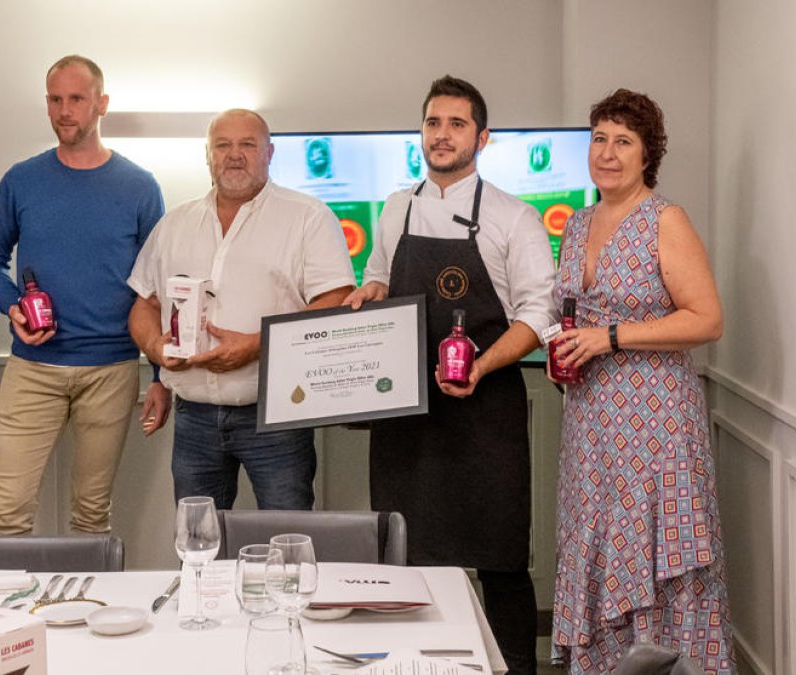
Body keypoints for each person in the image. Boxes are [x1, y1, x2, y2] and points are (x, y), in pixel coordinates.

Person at [343, 76, 555, 675]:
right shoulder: (395, 207)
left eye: (457, 124)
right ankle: (412, 665)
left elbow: (538, 315)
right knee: (407, 555)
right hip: (408, 418)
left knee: (501, 560)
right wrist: (371, 291)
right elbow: (380, 275)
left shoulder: (514, 219)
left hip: (486, 415)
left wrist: (482, 364)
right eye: (433, 123)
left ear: (482, 138)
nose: (442, 135)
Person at [548, 89, 734, 674]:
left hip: (657, 422)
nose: (607, 152)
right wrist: (568, 352)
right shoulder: (577, 224)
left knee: (662, 560)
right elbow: (576, 315)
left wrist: (611, 338)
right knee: (598, 546)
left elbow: (707, 318)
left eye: (623, 141)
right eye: (599, 138)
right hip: (590, 425)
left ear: (647, 153)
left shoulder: (665, 219)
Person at [0, 55, 168, 536]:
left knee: (91, 516)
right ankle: (10, 613)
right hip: (32, 368)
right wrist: (12, 305)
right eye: (55, 99)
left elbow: (158, 289)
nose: (65, 110)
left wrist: (162, 375)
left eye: (76, 99)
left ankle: (87, 606)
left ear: (101, 104)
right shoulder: (21, 179)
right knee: (8, 516)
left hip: (111, 369)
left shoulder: (140, 187)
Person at [128, 109, 355, 509]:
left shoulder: (308, 217)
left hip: (277, 415)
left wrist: (257, 344)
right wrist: (157, 352)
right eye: (223, 145)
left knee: (288, 541)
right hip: (193, 418)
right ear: (207, 155)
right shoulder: (175, 223)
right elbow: (145, 304)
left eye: (247, 144)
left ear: (269, 152)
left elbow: (334, 303)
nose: (234, 155)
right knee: (198, 547)